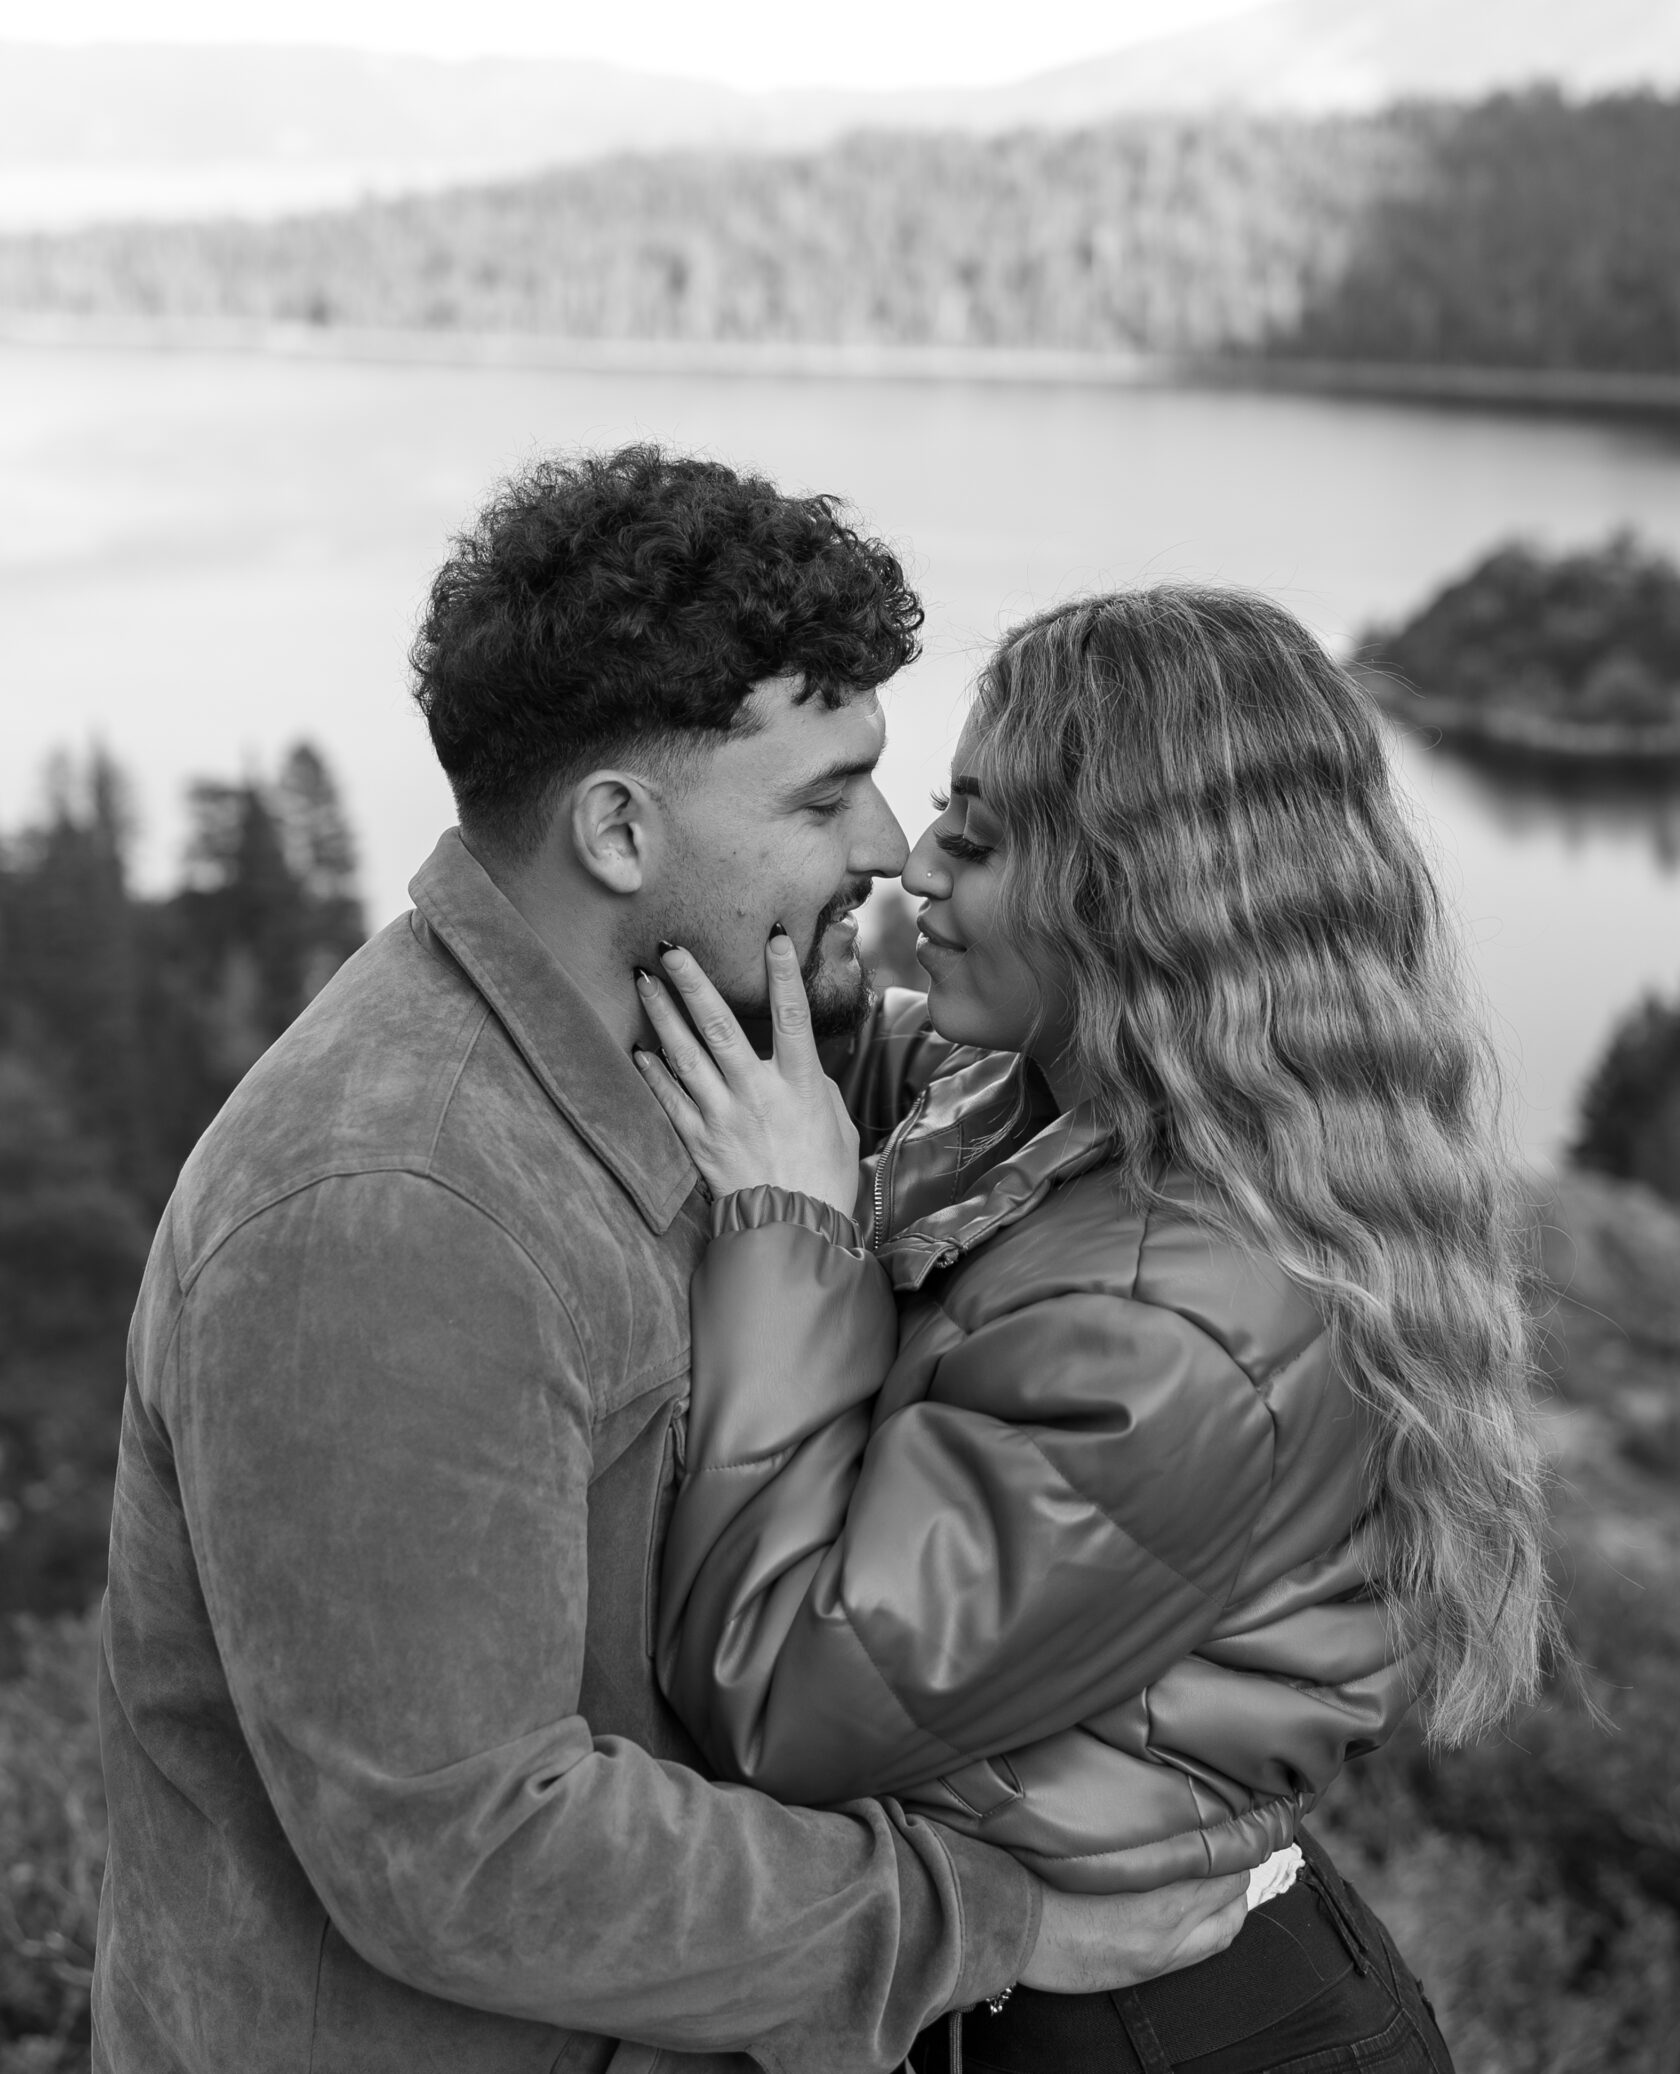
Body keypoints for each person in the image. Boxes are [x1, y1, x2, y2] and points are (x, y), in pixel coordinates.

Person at [90, 449, 1248, 2074]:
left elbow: (981, 1096)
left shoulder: (696, 1041)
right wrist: (983, 1916)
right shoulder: (395, 1209)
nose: (891, 844)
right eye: (821, 794)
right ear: (620, 830)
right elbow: (474, 1855)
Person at [634, 585, 1555, 2074]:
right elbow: (902, 1086)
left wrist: (788, 1234)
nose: (911, 864)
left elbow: (792, 1694)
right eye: (944, 811)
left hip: (1159, 2034)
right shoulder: (1068, 1110)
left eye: (982, 841)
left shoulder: (1176, 1322)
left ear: (1145, 898)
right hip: (1082, 1993)